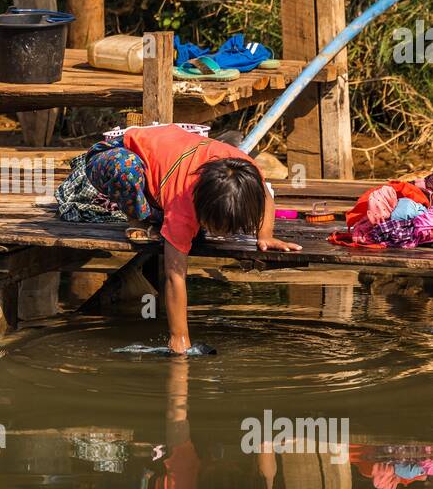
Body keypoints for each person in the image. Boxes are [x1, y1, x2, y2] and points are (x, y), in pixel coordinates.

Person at [56, 122, 300, 352]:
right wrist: (179, 337)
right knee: (125, 169)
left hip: (168, 160)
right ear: (199, 207)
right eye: (216, 226)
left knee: (178, 221)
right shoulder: (182, 204)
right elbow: (175, 277)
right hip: (117, 152)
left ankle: (156, 209)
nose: (221, 234)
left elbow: (266, 196)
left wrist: (265, 234)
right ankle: (141, 218)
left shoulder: (247, 173)